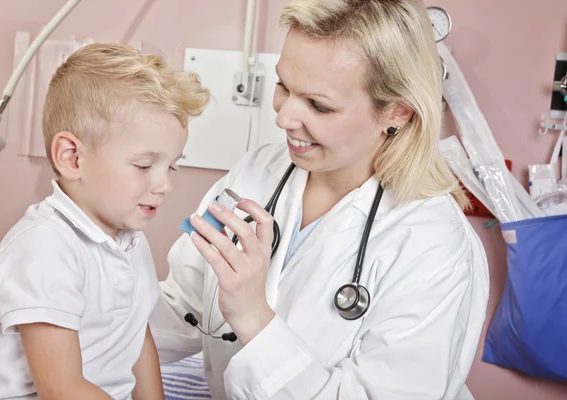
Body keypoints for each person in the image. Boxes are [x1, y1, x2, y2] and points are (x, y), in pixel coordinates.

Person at [149, 0, 489, 399]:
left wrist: (252, 316)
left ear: (397, 112)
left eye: (318, 105)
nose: (284, 118)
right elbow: (186, 307)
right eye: (283, 87)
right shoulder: (260, 172)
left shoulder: (432, 243)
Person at [0, 43, 209, 399]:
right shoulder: (45, 249)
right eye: (144, 166)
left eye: (170, 166)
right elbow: (61, 390)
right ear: (72, 158)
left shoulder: (130, 241)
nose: (165, 185)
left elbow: (135, 337)